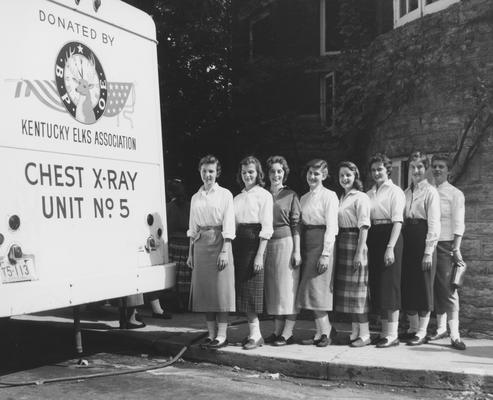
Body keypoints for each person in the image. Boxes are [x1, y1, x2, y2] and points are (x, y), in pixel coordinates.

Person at [186, 155, 236, 349]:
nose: (208, 175)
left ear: (217, 173)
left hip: (219, 242)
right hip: (200, 245)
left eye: (211, 171)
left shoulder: (225, 195)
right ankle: (211, 334)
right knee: (206, 292)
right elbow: (192, 228)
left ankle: (222, 336)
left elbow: (229, 225)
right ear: (200, 172)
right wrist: (191, 254)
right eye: (204, 171)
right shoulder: (195, 197)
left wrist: (225, 250)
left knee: (220, 291)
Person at [296, 159, 338, 347]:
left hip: (322, 243)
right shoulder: (303, 198)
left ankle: (326, 331)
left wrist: (326, 253)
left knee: (317, 290)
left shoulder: (330, 196)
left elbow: (332, 227)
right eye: (310, 173)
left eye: (317, 174)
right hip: (307, 243)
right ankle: (321, 331)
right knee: (309, 290)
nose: (312, 177)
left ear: (324, 175)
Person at [233, 156, 273, 350]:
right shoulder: (237, 197)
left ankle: (256, 336)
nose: (247, 175)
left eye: (251, 172)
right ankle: (253, 334)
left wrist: (259, 255)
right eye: (244, 172)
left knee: (252, 290)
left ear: (258, 174)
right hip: (239, 243)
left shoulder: (264, 195)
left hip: (255, 243)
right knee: (242, 290)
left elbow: (267, 227)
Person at [401, 151, 441, 346]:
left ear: (426, 169)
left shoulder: (430, 192)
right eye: (413, 167)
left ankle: (423, 331)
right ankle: (413, 328)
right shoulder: (406, 192)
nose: (416, 171)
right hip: (408, 240)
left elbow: (434, 224)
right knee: (409, 284)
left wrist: (428, 252)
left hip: (423, 239)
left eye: (420, 167)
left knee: (424, 286)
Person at [428, 154, 466, 350]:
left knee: (449, 290)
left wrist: (456, 248)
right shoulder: (429, 191)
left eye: (441, 166)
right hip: (429, 245)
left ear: (448, 170)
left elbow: (459, 223)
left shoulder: (455, 193)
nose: (437, 170)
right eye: (434, 166)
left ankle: (455, 335)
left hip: (446, 245)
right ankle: (440, 328)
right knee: (434, 288)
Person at [367, 154, 405, 348]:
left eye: (380, 169)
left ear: (388, 169)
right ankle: (383, 332)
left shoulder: (395, 191)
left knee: (390, 286)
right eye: (373, 170)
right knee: (378, 285)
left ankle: (392, 334)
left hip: (391, 236)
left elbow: (398, 221)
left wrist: (390, 248)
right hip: (374, 236)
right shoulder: (369, 193)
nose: (376, 173)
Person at [263, 156, 301, 346]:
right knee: (274, 290)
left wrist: (297, 251)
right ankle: (277, 330)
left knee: (288, 290)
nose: (276, 175)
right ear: (267, 173)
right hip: (267, 245)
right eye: (272, 171)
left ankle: (287, 332)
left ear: (284, 173)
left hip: (287, 244)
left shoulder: (291, 195)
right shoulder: (262, 194)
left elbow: (296, 225)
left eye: (279, 171)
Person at [334, 161, 371, 347]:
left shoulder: (361, 197)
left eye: (348, 175)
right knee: (349, 294)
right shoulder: (342, 197)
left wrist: (359, 253)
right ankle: (355, 331)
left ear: (355, 176)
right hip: (343, 242)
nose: (345, 178)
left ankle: (365, 334)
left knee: (358, 292)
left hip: (356, 242)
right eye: (341, 175)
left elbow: (364, 226)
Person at [166, 178, 191, 311]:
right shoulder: (190, 206)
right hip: (187, 244)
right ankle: (186, 302)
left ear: (170, 193)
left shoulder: (167, 208)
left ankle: (177, 303)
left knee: (174, 275)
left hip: (174, 245)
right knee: (185, 275)